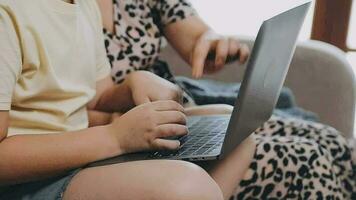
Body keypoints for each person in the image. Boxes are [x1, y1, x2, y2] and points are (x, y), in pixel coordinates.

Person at [96, 0, 356, 199]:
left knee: (332, 142)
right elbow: (81, 111)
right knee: (308, 160)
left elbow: (195, 34)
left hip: (180, 111)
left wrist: (211, 43)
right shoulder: (67, 13)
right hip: (143, 133)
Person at [0, 0, 258, 200]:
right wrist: (115, 138)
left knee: (231, 130)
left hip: (83, 158)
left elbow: (97, 99)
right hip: (29, 184)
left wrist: (135, 81)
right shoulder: (8, 12)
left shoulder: (83, 6)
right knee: (187, 185)